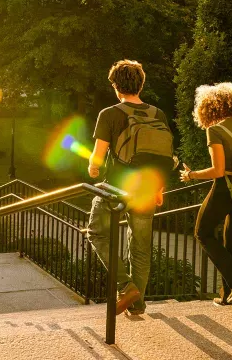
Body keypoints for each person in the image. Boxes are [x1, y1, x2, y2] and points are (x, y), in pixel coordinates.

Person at [87, 59, 174, 316]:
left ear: (116, 86)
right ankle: (137, 304)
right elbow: (161, 155)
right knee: (140, 248)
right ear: (141, 84)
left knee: (96, 233)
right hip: (147, 189)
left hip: (116, 189)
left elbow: (97, 158)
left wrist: (92, 170)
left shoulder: (109, 114)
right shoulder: (158, 114)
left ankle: (125, 287)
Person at [180, 82, 232, 306]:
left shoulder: (215, 130)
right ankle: (229, 294)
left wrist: (192, 175)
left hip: (225, 188)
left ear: (213, 108)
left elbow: (217, 170)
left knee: (202, 232)